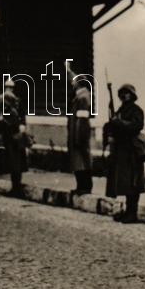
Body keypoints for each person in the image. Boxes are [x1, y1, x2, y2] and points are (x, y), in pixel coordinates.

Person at [104, 84, 145, 224]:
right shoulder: (121, 109)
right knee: (125, 182)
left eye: (127, 93)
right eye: (122, 93)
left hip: (132, 151)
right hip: (122, 150)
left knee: (133, 183)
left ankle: (132, 213)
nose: (124, 95)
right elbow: (114, 125)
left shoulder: (136, 110)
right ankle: (128, 212)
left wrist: (119, 122)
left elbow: (136, 126)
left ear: (132, 95)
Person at [66, 61, 93, 196]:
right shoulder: (82, 96)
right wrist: (68, 70)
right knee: (79, 161)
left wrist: (78, 137)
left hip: (79, 135)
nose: (72, 83)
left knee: (81, 161)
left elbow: (82, 120)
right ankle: (82, 186)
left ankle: (84, 186)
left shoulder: (82, 98)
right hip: (77, 134)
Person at [0, 79, 28, 197]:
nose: (9, 90)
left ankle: (16, 187)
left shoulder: (14, 101)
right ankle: (15, 186)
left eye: (10, 88)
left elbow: (21, 115)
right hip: (12, 134)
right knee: (14, 162)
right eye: (8, 88)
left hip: (14, 135)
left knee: (16, 162)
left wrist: (22, 125)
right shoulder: (5, 101)